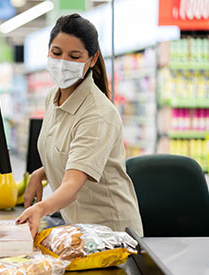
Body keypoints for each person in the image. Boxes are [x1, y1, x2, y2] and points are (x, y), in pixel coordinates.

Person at [17, 14, 143, 237]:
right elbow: (70, 153)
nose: (63, 62)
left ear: (92, 59)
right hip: (79, 229)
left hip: (112, 234)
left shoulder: (97, 113)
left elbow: (73, 185)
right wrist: (41, 173)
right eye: (56, 53)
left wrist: (40, 208)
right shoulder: (53, 97)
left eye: (74, 56)